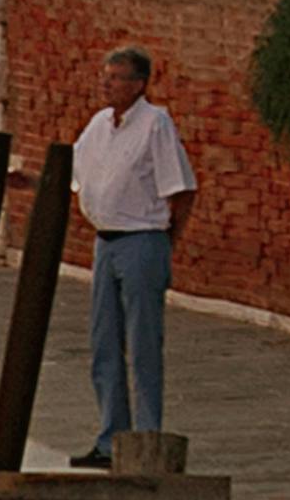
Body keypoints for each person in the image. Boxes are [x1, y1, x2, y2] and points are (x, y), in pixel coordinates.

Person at [70, 46, 197, 469]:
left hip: (143, 238)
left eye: (117, 77)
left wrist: (166, 242)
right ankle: (111, 436)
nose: (106, 84)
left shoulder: (155, 124)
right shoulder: (98, 126)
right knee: (103, 341)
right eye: (104, 75)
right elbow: (75, 177)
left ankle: (147, 437)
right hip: (105, 242)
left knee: (143, 343)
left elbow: (181, 190)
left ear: (139, 84)